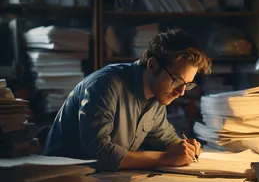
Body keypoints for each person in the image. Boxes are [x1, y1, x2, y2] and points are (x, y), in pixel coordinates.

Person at [43, 29, 212, 171]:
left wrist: (182, 147)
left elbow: (165, 138)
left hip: (100, 181)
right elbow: (97, 153)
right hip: (60, 179)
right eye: (176, 81)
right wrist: (164, 158)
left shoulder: (158, 94)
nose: (181, 92)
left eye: (187, 85)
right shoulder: (105, 85)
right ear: (152, 66)